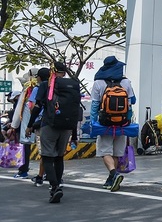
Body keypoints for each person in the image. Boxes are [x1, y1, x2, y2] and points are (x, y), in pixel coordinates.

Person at [26, 62, 80, 204]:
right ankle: (58, 183)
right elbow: (75, 110)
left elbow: (37, 107)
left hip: (49, 125)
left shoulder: (46, 85)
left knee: (47, 157)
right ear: (65, 72)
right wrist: (74, 135)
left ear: (52, 71)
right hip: (67, 127)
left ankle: (54, 187)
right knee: (59, 157)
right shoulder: (73, 85)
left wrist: (30, 125)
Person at [90, 55, 136, 192]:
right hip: (123, 122)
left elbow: (95, 105)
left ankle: (113, 174)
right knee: (116, 153)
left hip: (105, 122)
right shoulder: (126, 82)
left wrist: (93, 122)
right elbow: (133, 101)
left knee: (105, 152)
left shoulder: (98, 83)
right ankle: (111, 179)